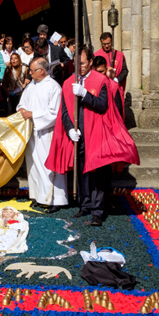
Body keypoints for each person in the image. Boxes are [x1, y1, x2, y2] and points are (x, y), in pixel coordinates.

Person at [46, 46, 139, 225]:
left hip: (97, 134)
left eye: (82, 63)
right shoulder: (68, 82)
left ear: (90, 62)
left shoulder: (100, 80)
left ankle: (98, 210)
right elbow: (64, 111)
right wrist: (69, 129)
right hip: (78, 134)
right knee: (82, 171)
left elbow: (102, 105)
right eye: (76, 63)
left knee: (98, 174)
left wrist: (85, 95)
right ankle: (85, 205)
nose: (78, 67)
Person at [17, 57, 67, 212]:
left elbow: (55, 113)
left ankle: (54, 199)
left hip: (46, 132)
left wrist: (33, 114)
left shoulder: (53, 87)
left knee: (47, 165)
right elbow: (22, 103)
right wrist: (21, 110)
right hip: (32, 131)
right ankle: (38, 196)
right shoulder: (31, 85)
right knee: (33, 165)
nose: (30, 73)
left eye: (32, 70)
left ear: (42, 70)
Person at [94, 32, 128, 107]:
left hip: (117, 87)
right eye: (104, 44)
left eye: (108, 43)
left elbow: (125, 70)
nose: (106, 46)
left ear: (111, 42)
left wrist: (116, 79)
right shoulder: (96, 55)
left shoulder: (119, 54)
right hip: (103, 89)